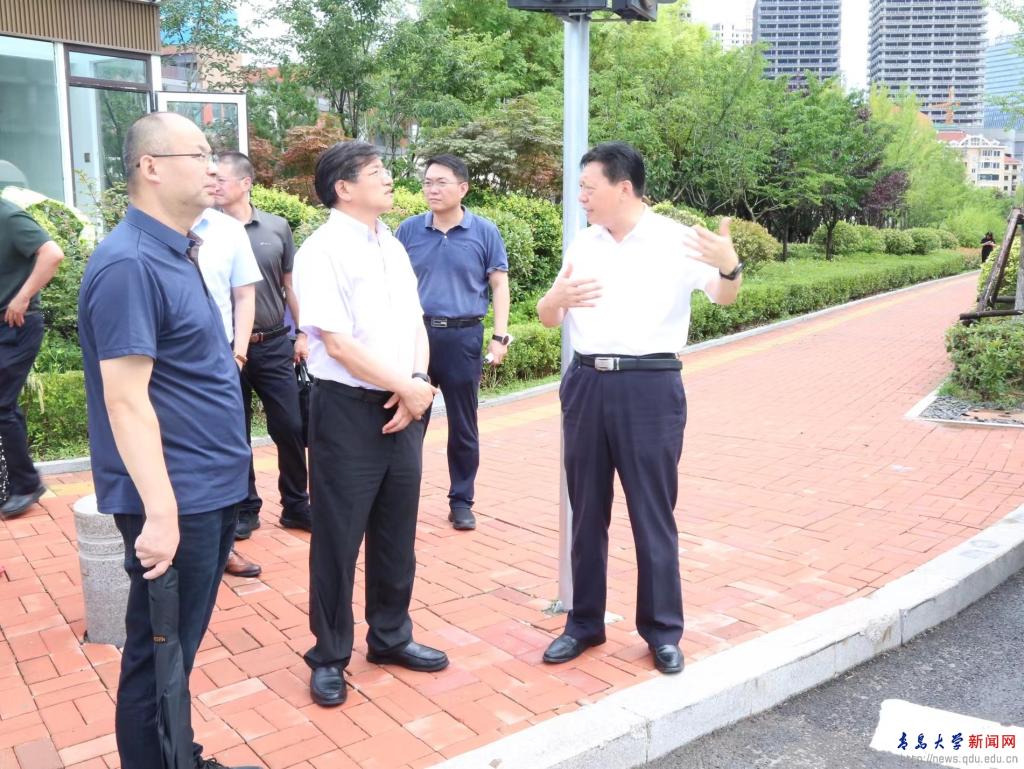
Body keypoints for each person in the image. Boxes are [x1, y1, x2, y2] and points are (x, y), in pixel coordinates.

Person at [78, 111, 258, 769]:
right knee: (157, 652)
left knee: (177, 646)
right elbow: (125, 401)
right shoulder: (129, 263)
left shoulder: (177, 249)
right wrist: (159, 513)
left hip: (207, 488)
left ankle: (179, 754)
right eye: (199, 154)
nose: (214, 168)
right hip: (176, 497)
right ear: (151, 167)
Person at [536, 142, 743, 675]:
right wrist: (554, 301)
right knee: (586, 511)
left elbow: (724, 296)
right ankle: (583, 623)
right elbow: (549, 316)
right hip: (586, 384)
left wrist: (730, 265)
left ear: (623, 187)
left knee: (652, 513)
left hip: (650, 387)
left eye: (589, 188)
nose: (581, 197)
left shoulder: (676, 240)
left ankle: (662, 631)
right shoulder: (584, 241)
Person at [293, 141, 449, 708]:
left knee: (395, 531)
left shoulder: (393, 245)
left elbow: (415, 324)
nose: (388, 179)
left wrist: (416, 382)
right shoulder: (322, 251)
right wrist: (406, 387)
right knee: (338, 538)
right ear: (343, 188)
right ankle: (329, 654)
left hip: (404, 405)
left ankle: (390, 636)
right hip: (347, 410)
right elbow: (335, 343)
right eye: (377, 171)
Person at [395, 155, 510, 532]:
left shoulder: (484, 231)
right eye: (427, 182)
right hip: (418, 336)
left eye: (441, 182)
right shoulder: (408, 230)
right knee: (410, 420)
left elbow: (499, 285)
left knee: (463, 424)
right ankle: (400, 500)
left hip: (464, 338)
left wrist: (499, 337)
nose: (432, 189)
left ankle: (461, 500)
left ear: (463, 188)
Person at [213, 152, 312, 544]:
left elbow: (291, 286)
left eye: (221, 179)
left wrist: (302, 333)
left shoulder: (276, 227)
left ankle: (296, 505)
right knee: (234, 431)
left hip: (272, 344)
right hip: (225, 348)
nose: (214, 185)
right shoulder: (206, 229)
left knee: (290, 426)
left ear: (246, 183)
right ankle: (245, 508)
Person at [191, 200, 264, 580]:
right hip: (163, 364)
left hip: (220, 358)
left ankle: (224, 546)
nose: (210, 178)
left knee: (225, 454)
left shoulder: (228, 230)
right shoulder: (151, 225)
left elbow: (244, 295)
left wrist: (238, 354)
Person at [0, 198, 64, 519]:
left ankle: (26, 484)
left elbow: (52, 254)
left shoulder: (8, 216)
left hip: (15, 324)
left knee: (1, 404)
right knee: (5, 405)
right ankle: (15, 481)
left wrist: (22, 297)